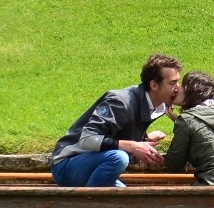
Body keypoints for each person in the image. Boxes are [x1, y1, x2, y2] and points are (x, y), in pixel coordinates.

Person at [49, 54, 183, 187]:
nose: (178, 87)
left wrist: (145, 139)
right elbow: (87, 139)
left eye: (178, 81)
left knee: (130, 202)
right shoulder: (120, 102)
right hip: (66, 166)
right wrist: (133, 146)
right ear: (154, 85)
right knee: (119, 158)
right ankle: (89, 205)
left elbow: (117, 132)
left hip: (94, 166)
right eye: (172, 83)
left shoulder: (157, 106)